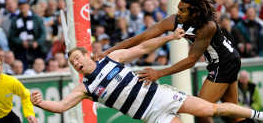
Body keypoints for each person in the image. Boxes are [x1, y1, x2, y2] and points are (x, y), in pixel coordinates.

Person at [31, 29, 263, 123]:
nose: (76, 63)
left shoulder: (112, 58)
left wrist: (169, 37)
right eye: (72, 63)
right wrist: (41, 103)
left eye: (78, 58)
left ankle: (258, 115)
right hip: (151, 115)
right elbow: (61, 106)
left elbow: (143, 48)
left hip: (161, 97)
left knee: (213, 110)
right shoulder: (85, 88)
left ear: (87, 54)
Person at [95, 0, 246, 123]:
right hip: (225, 60)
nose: (178, 13)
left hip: (224, 63)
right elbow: (140, 38)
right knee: (233, 114)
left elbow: (191, 61)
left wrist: (159, 73)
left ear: (194, 13)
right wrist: (108, 52)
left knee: (202, 110)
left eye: (183, 10)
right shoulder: (174, 21)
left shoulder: (208, 27)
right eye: (178, 9)